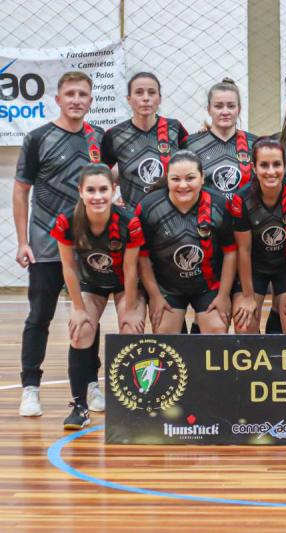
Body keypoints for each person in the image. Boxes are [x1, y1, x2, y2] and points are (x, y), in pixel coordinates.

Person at [15, 71, 105, 417]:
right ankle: (30, 388)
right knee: (40, 316)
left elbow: (105, 185)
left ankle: (90, 385)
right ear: (58, 99)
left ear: (91, 100)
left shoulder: (97, 138)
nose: (77, 100)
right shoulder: (38, 138)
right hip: (45, 246)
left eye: (83, 94)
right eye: (70, 94)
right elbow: (20, 191)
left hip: (88, 249)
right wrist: (23, 241)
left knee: (87, 317)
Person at [50, 165, 146, 429]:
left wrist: (128, 306)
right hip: (91, 283)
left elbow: (130, 269)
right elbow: (68, 267)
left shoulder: (129, 221)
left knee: (130, 327)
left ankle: (133, 402)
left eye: (103, 189)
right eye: (90, 190)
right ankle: (80, 407)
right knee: (80, 329)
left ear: (113, 190)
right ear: (80, 191)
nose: (98, 196)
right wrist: (78, 308)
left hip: (124, 282)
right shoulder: (67, 221)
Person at [136, 150, 237, 333]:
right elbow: (142, 257)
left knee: (216, 330)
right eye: (175, 179)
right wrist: (155, 296)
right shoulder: (149, 207)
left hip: (208, 287)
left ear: (202, 178)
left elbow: (231, 252)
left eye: (190, 178)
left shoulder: (220, 205)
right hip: (167, 287)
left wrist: (223, 296)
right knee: (165, 333)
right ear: (167, 179)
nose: (183, 185)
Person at [229, 138, 286, 334]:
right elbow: (243, 250)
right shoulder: (241, 199)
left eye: (276, 164)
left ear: (285, 165)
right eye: (264, 165)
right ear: (254, 167)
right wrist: (247, 296)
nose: (271, 171)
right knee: (244, 325)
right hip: (254, 267)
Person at [100, 72, 188, 207]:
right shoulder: (114, 135)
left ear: (159, 98)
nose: (146, 98)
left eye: (152, 92)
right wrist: (109, 203)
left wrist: (205, 134)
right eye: (139, 93)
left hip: (172, 214)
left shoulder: (175, 128)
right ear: (129, 99)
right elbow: (98, 177)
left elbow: (194, 167)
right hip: (133, 218)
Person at [186, 78, 258, 200]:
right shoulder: (191, 144)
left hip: (244, 217)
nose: (225, 112)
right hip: (207, 217)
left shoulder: (254, 143)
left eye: (231, 106)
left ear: (239, 109)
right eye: (218, 106)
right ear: (208, 109)